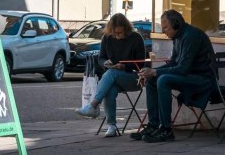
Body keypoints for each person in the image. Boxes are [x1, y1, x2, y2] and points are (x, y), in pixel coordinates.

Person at [131, 10, 216, 143]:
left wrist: (155, 72)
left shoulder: (191, 36)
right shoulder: (178, 37)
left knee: (163, 79)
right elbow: (173, 63)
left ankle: (166, 129)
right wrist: (150, 72)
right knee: (152, 80)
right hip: (189, 76)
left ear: (176, 24)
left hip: (203, 80)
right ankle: (153, 125)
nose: (164, 31)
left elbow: (182, 69)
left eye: (165, 27)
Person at [74, 13, 146, 137]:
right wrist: (105, 63)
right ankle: (111, 126)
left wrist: (124, 66)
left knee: (111, 73)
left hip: (134, 78)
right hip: (114, 77)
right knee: (110, 90)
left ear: (127, 30)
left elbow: (141, 63)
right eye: (115, 33)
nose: (118, 36)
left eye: (121, 33)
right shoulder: (107, 38)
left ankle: (93, 105)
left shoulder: (136, 38)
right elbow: (101, 58)